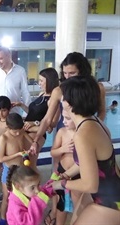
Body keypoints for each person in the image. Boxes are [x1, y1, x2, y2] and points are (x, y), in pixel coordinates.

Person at [50, 76, 120, 224]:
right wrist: (65, 175)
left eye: (63, 96)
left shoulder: (83, 135)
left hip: (110, 199)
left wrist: (61, 185)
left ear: (69, 103)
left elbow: (90, 184)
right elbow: (88, 163)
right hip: (108, 188)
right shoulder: (95, 121)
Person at [29, 52, 106, 154]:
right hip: (65, 131)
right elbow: (47, 119)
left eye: (72, 73)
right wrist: (35, 141)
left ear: (82, 71)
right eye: (65, 73)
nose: (68, 77)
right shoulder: (59, 91)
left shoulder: (97, 88)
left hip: (88, 131)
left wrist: (92, 128)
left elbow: (102, 111)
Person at [0, 46, 31, 181]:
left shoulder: (20, 71)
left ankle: (16, 169)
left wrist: (28, 114)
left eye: (1, 58)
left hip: (14, 115)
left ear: (9, 55)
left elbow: (25, 92)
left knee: (15, 142)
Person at [15, 68, 60, 167]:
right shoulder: (42, 94)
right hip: (27, 129)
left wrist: (34, 123)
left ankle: (35, 182)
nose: (39, 83)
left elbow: (52, 123)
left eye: (41, 81)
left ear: (49, 81)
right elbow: (33, 112)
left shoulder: (53, 99)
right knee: (23, 162)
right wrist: (21, 105)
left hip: (37, 133)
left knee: (30, 164)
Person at [0, 113, 33, 225]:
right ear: (8, 127)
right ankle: (3, 219)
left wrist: (30, 149)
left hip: (21, 169)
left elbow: (31, 142)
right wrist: (17, 154)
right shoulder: (4, 138)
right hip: (9, 170)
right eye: (15, 131)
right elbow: (1, 158)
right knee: (7, 197)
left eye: (19, 130)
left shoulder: (21, 131)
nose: (18, 133)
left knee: (23, 195)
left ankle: (21, 217)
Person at [46, 109, 80, 225]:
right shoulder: (62, 132)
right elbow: (53, 152)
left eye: (68, 118)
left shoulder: (82, 135)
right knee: (62, 204)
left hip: (77, 176)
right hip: (62, 173)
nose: (64, 121)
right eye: (63, 118)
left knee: (78, 206)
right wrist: (63, 149)